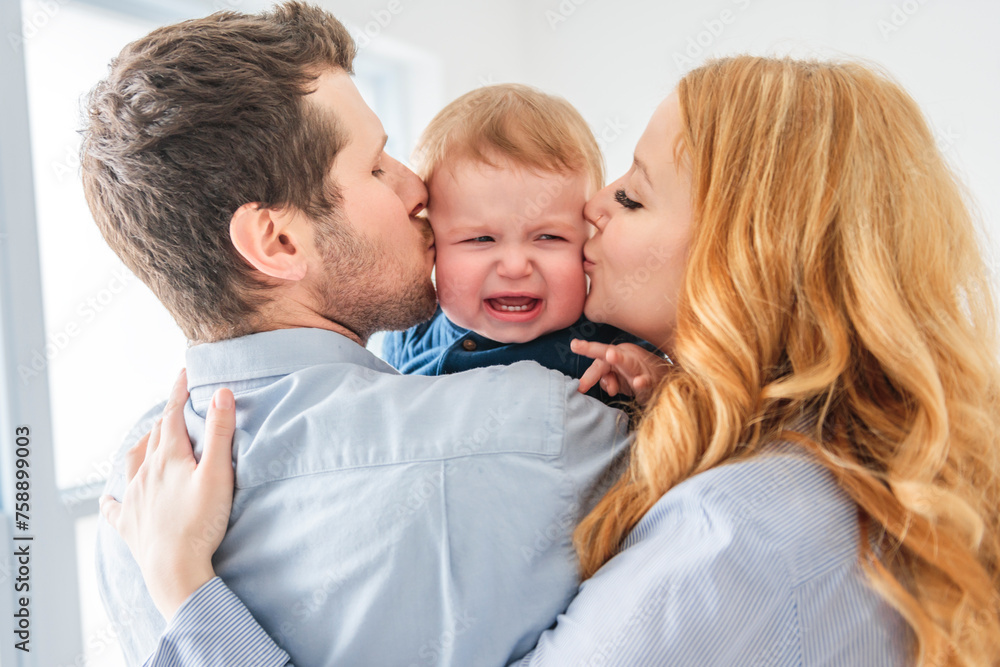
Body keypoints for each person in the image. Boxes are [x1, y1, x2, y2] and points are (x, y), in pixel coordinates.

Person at [105, 55, 1000, 666]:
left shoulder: (734, 527)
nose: (592, 209)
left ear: (745, 256)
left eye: (633, 194)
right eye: (378, 168)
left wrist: (189, 594)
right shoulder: (769, 463)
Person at [85, 4, 645, 666]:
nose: (418, 190)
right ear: (279, 241)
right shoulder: (551, 425)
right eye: (377, 167)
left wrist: (185, 585)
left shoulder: (133, 494)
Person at [379, 83, 658, 404]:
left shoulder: (615, 346)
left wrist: (657, 387)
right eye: (481, 239)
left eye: (549, 237)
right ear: (431, 245)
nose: (514, 267)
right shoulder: (408, 333)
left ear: (590, 241)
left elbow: (688, 407)